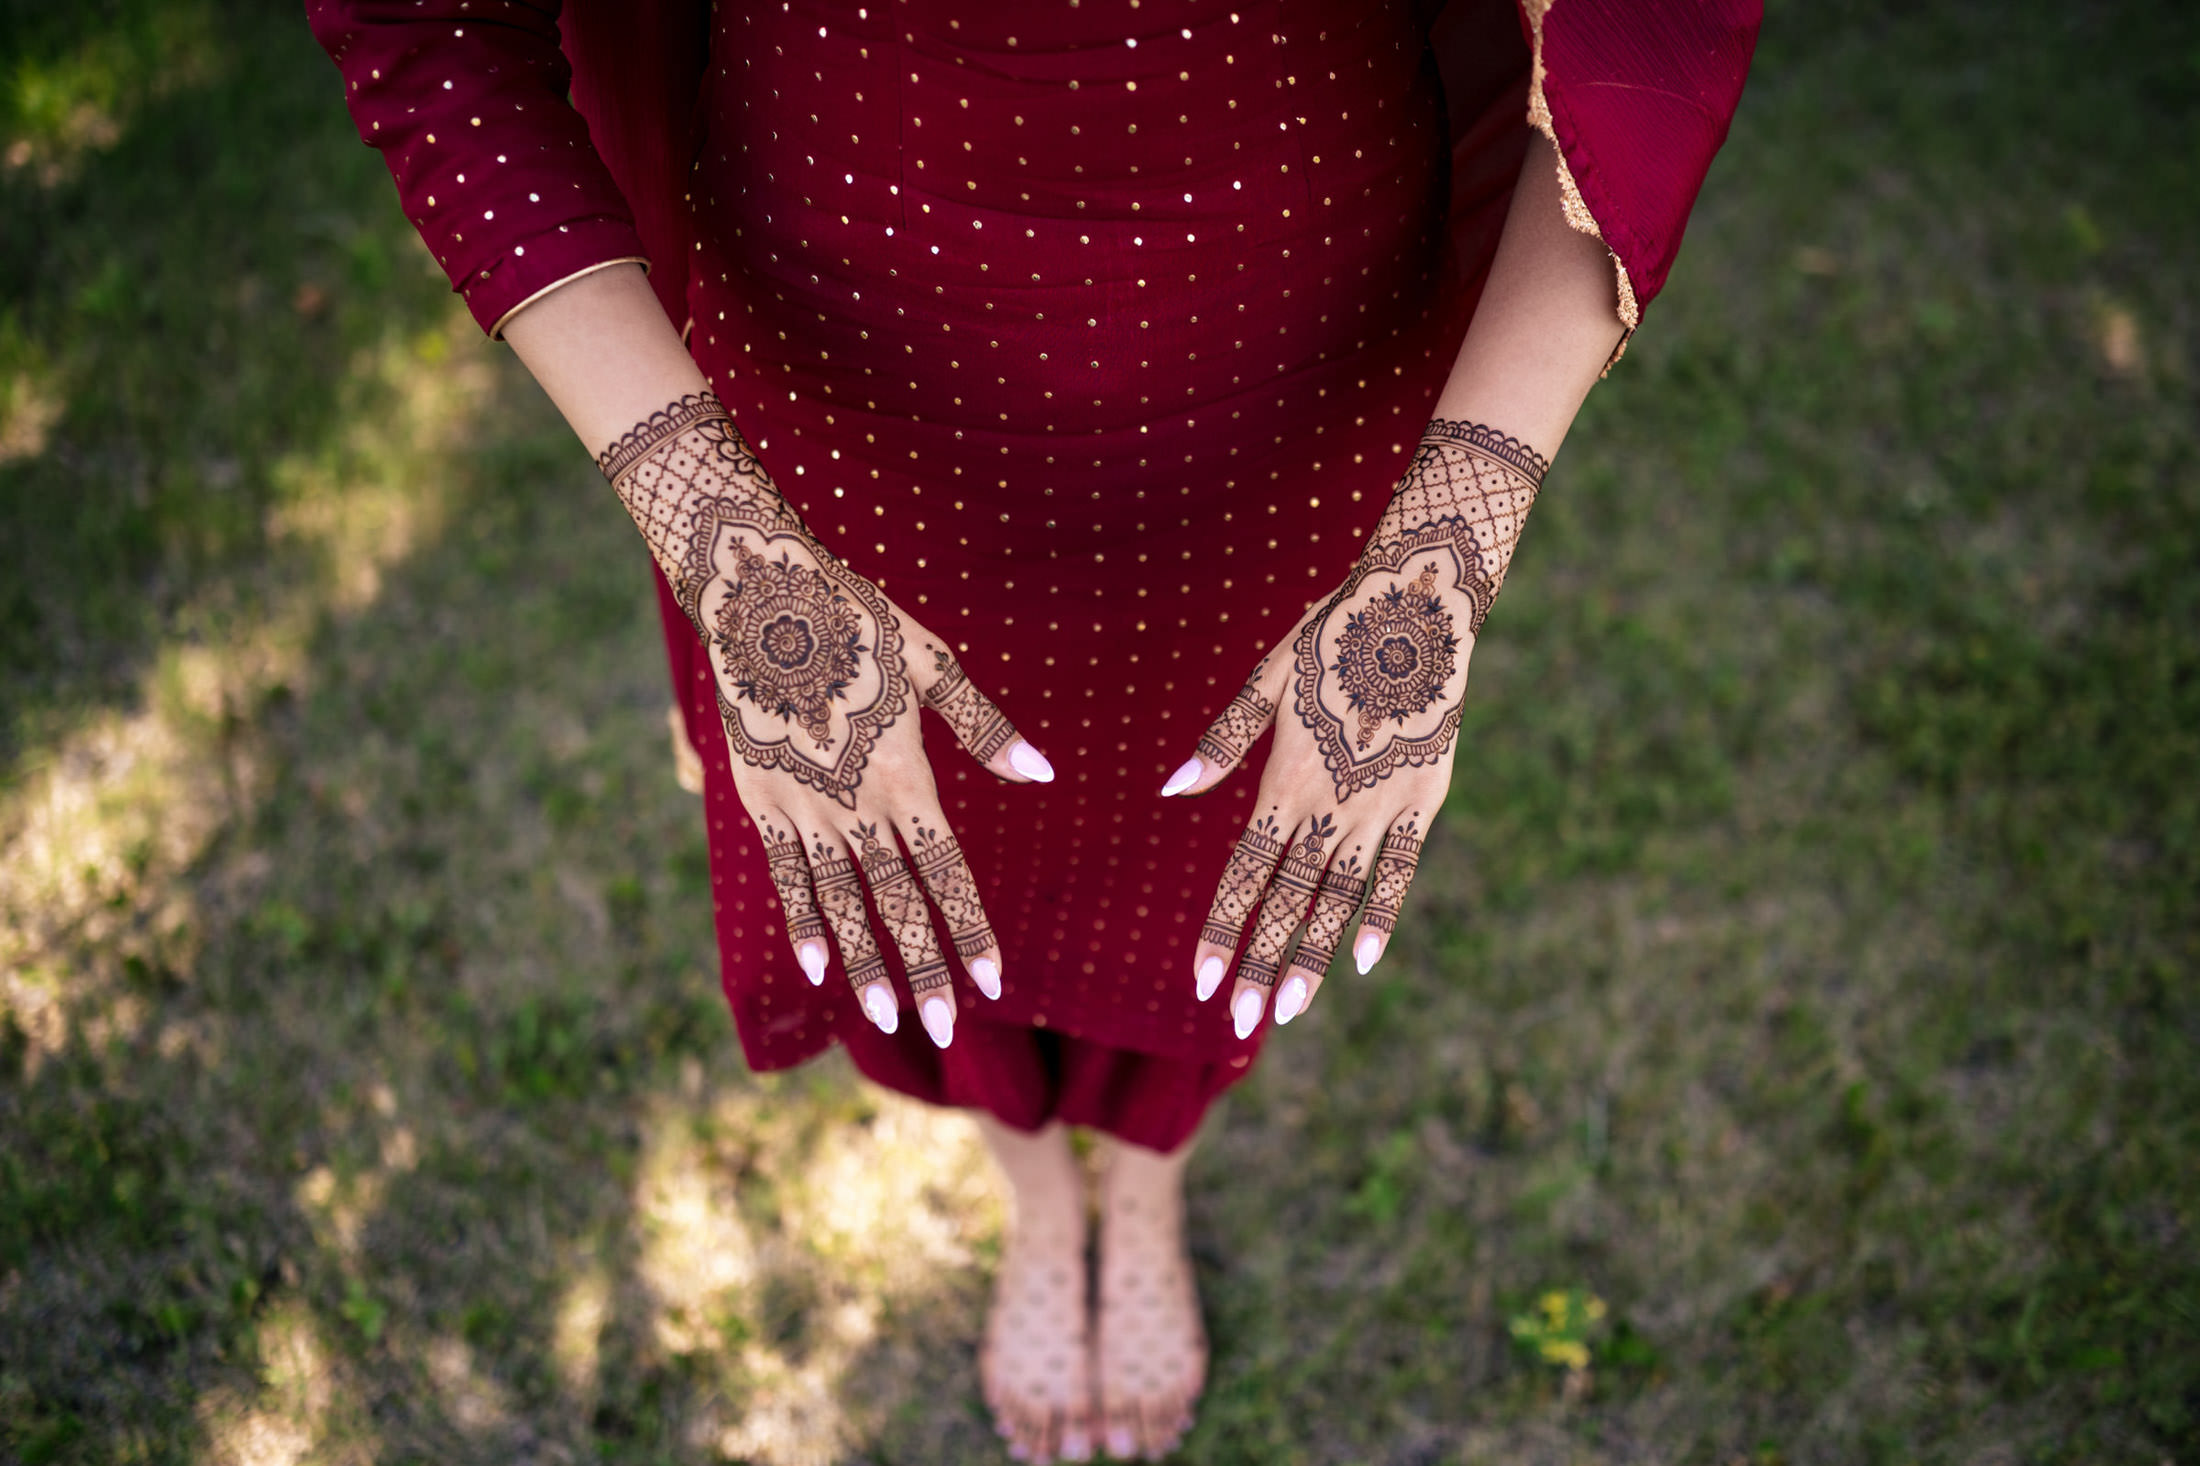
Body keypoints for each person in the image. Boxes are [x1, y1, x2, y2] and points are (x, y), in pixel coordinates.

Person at [308, 0, 1758, 1457]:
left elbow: (1654, 33)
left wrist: (1454, 528)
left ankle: (1143, 1184)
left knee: (1219, 846)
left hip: (1278, 353)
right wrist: (715, 531)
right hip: (833, 371)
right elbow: (430, 29)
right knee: (909, 852)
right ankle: (1034, 1187)